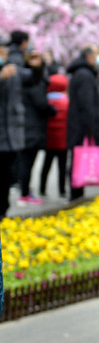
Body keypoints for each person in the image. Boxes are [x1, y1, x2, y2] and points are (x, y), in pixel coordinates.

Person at [66, 44, 99, 202]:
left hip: (77, 125)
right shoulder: (85, 75)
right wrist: (93, 131)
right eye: (96, 55)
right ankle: (76, 196)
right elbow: (87, 105)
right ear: (89, 57)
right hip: (81, 127)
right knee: (77, 162)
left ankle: (76, 193)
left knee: (76, 160)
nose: (98, 58)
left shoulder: (81, 73)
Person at [16, 47, 55, 205]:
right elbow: (41, 104)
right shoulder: (32, 80)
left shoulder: (27, 79)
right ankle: (24, 193)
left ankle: (24, 191)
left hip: (27, 126)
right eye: (33, 58)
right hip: (31, 128)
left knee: (26, 161)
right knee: (27, 162)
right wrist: (53, 110)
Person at [0, 42, 25, 218]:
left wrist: (37, 68)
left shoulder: (12, 69)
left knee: (6, 176)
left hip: (8, 135)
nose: (5, 54)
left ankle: (3, 210)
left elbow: (32, 80)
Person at [40, 73, 69, 199]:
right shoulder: (67, 102)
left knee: (46, 166)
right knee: (62, 167)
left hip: (49, 140)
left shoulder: (47, 101)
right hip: (63, 141)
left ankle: (42, 189)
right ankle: (62, 191)